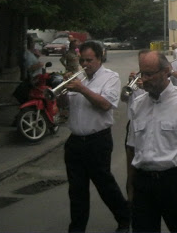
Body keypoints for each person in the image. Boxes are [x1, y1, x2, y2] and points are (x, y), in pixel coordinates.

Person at [126, 51, 177, 232]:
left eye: (149, 74)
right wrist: (130, 185)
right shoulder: (138, 104)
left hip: (175, 183)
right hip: (143, 183)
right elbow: (131, 148)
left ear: (166, 71)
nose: (144, 79)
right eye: (142, 73)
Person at [63, 40, 130, 232]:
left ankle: (124, 217)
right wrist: (61, 90)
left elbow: (105, 105)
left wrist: (82, 89)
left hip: (97, 141)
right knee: (76, 190)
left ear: (99, 59)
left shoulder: (111, 77)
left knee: (104, 184)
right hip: (75, 141)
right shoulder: (78, 78)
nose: (85, 64)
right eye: (82, 60)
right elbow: (63, 105)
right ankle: (76, 228)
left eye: (89, 60)